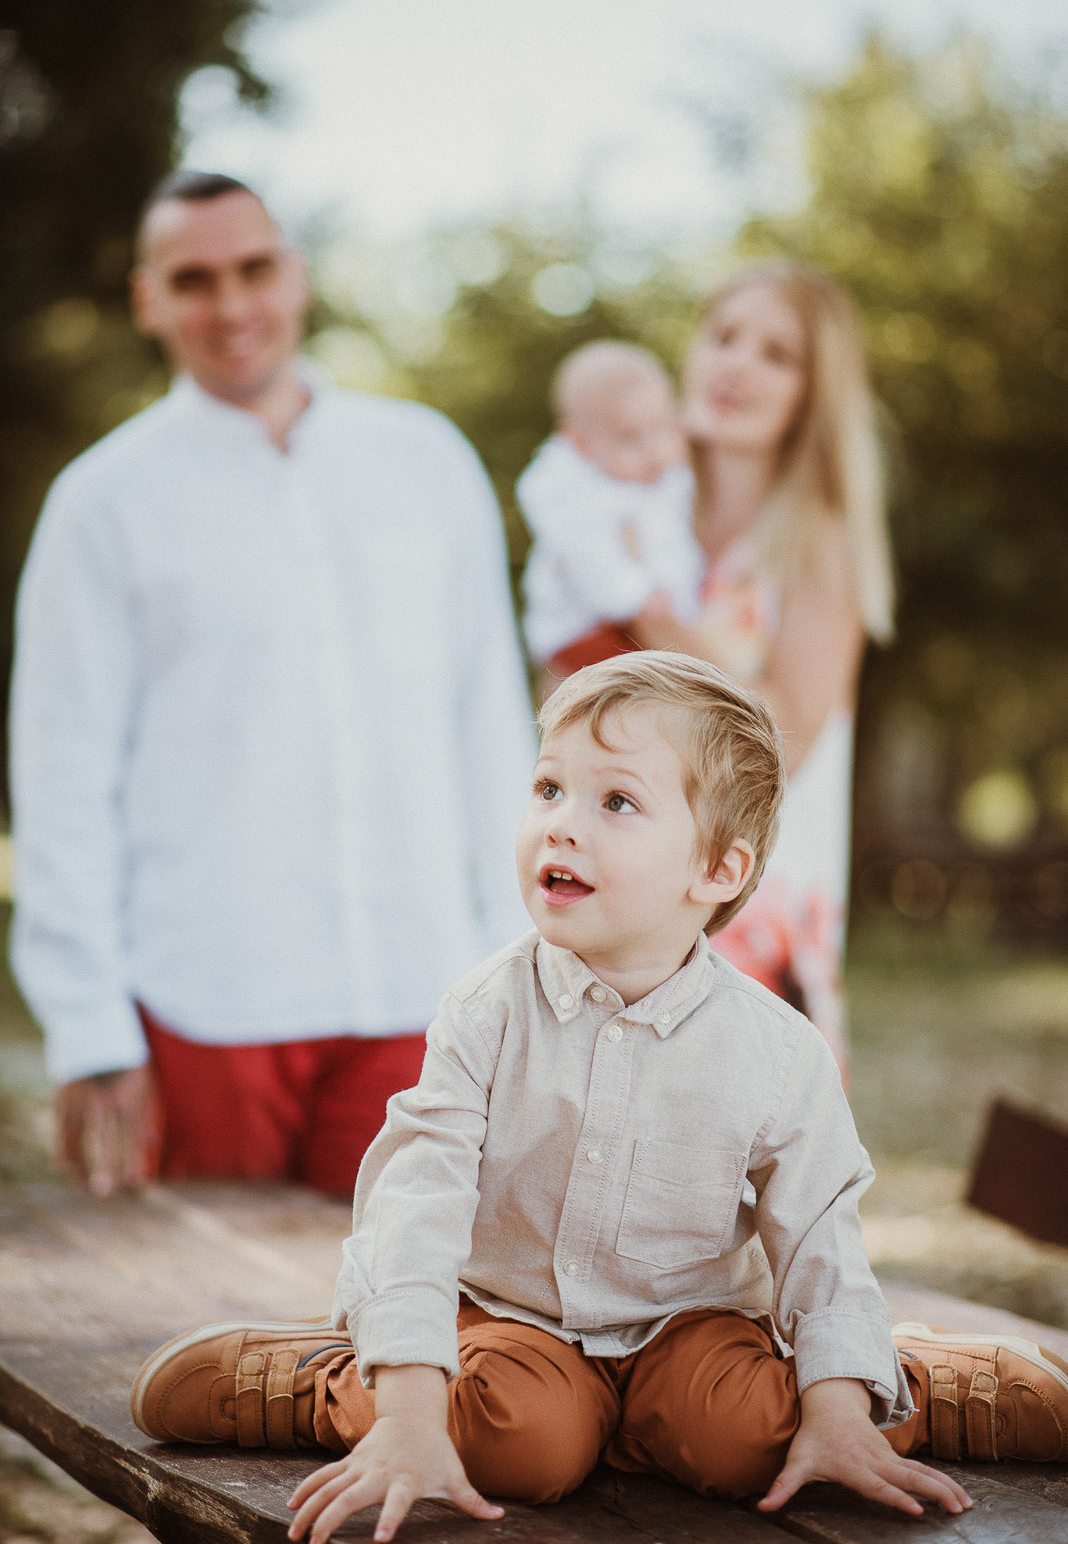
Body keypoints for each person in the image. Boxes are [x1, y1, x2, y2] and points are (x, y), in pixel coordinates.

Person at [129, 652, 1068, 1544]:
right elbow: (416, 1205)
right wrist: (416, 1409)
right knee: (520, 1447)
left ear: (719, 872)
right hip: (510, 1319)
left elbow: (820, 1236)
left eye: (615, 800)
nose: (561, 824)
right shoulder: (486, 1011)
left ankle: (896, 1388)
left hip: (689, 1328)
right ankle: (329, 1386)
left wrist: (828, 1407)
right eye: (549, 789)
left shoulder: (776, 1050)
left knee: (748, 1443)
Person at [9, 170, 535, 1198]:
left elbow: (492, 730)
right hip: (204, 1001)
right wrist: (89, 1027)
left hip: (421, 995)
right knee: (214, 1347)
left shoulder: (428, 464)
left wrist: (520, 969)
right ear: (149, 299)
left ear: (295, 275)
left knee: (408, 1332)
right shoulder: (103, 502)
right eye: (194, 279)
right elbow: (61, 770)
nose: (233, 305)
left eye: (254, 268)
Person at [631, 261, 896, 1082]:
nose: (736, 364)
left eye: (777, 355)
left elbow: (787, 740)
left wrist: (662, 628)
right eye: (723, 337)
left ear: (812, 395)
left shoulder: (817, 543)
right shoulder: (636, 517)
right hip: (617, 895)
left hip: (746, 911)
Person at [517, 340, 702, 688]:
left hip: (641, 626)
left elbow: (672, 541)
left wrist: (679, 599)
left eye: (662, 427)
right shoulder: (573, 490)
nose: (653, 449)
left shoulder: (664, 478)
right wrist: (634, 592)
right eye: (630, 438)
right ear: (580, 443)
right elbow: (585, 553)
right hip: (581, 629)